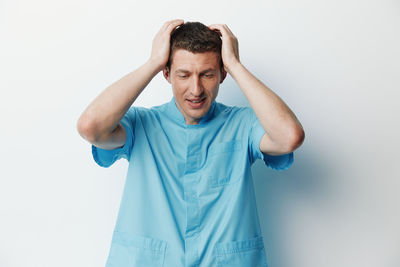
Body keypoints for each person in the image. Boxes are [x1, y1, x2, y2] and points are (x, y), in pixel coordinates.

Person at [77, 19, 305, 267]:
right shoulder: (141, 123)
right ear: (167, 74)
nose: (196, 89)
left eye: (207, 74)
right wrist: (153, 62)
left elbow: (289, 136)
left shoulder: (243, 124)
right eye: (183, 75)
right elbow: (91, 126)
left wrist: (236, 65)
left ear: (221, 74)